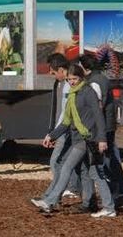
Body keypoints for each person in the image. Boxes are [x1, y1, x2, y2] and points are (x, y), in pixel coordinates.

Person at [32, 64, 115, 218]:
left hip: (87, 139)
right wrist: (52, 135)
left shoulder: (87, 92)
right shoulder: (72, 95)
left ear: (81, 78)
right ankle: (103, 206)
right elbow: (66, 122)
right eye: (69, 79)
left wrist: (102, 139)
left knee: (66, 167)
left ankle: (50, 201)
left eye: (75, 79)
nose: (72, 82)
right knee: (93, 173)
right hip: (80, 138)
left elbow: (98, 116)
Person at [79, 53, 123, 200]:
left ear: (85, 67)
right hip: (108, 124)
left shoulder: (94, 82)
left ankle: (116, 192)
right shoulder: (102, 78)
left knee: (106, 162)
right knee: (110, 159)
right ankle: (122, 190)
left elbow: (97, 107)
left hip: (102, 126)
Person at [35, 53, 80, 201]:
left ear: (61, 69)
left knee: (57, 161)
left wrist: (55, 132)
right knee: (66, 161)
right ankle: (66, 190)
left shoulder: (68, 85)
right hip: (63, 128)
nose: (51, 74)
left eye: (53, 72)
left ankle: (59, 192)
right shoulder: (61, 84)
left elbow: (65, 113)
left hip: (64, 129)